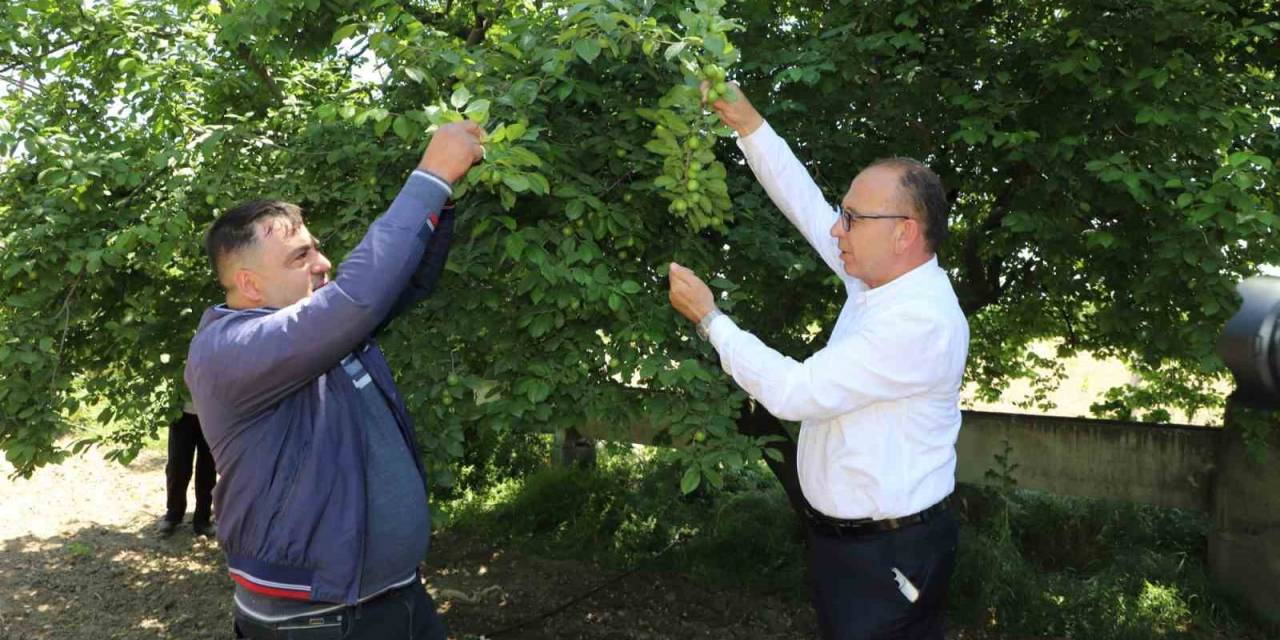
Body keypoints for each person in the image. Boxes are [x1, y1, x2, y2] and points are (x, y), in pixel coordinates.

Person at [668, 83, 970, 639]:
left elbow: (792, 392)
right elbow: (807, 206)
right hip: (853, 546)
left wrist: (710, 319)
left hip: (889, 554)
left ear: (904, 232)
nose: (837, 228)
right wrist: (749, 125)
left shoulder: (918, 320)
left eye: (852, 219)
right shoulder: (879, 280)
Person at [184, 121, 485, 639]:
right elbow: (357, 297)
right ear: (250, 283)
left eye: (315, 247)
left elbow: (403, 280)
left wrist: (441, 201)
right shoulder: (230, 350)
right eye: (300, 257)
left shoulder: (322, 330)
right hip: (316, 621)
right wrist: (431, 176)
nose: (323, 262)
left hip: (396, 599)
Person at [155, 401, 216, 537]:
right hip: (181, 414)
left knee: (208, 469)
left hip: (213, 414)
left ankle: (202, 520)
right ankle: (173, 515)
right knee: (177, 467)